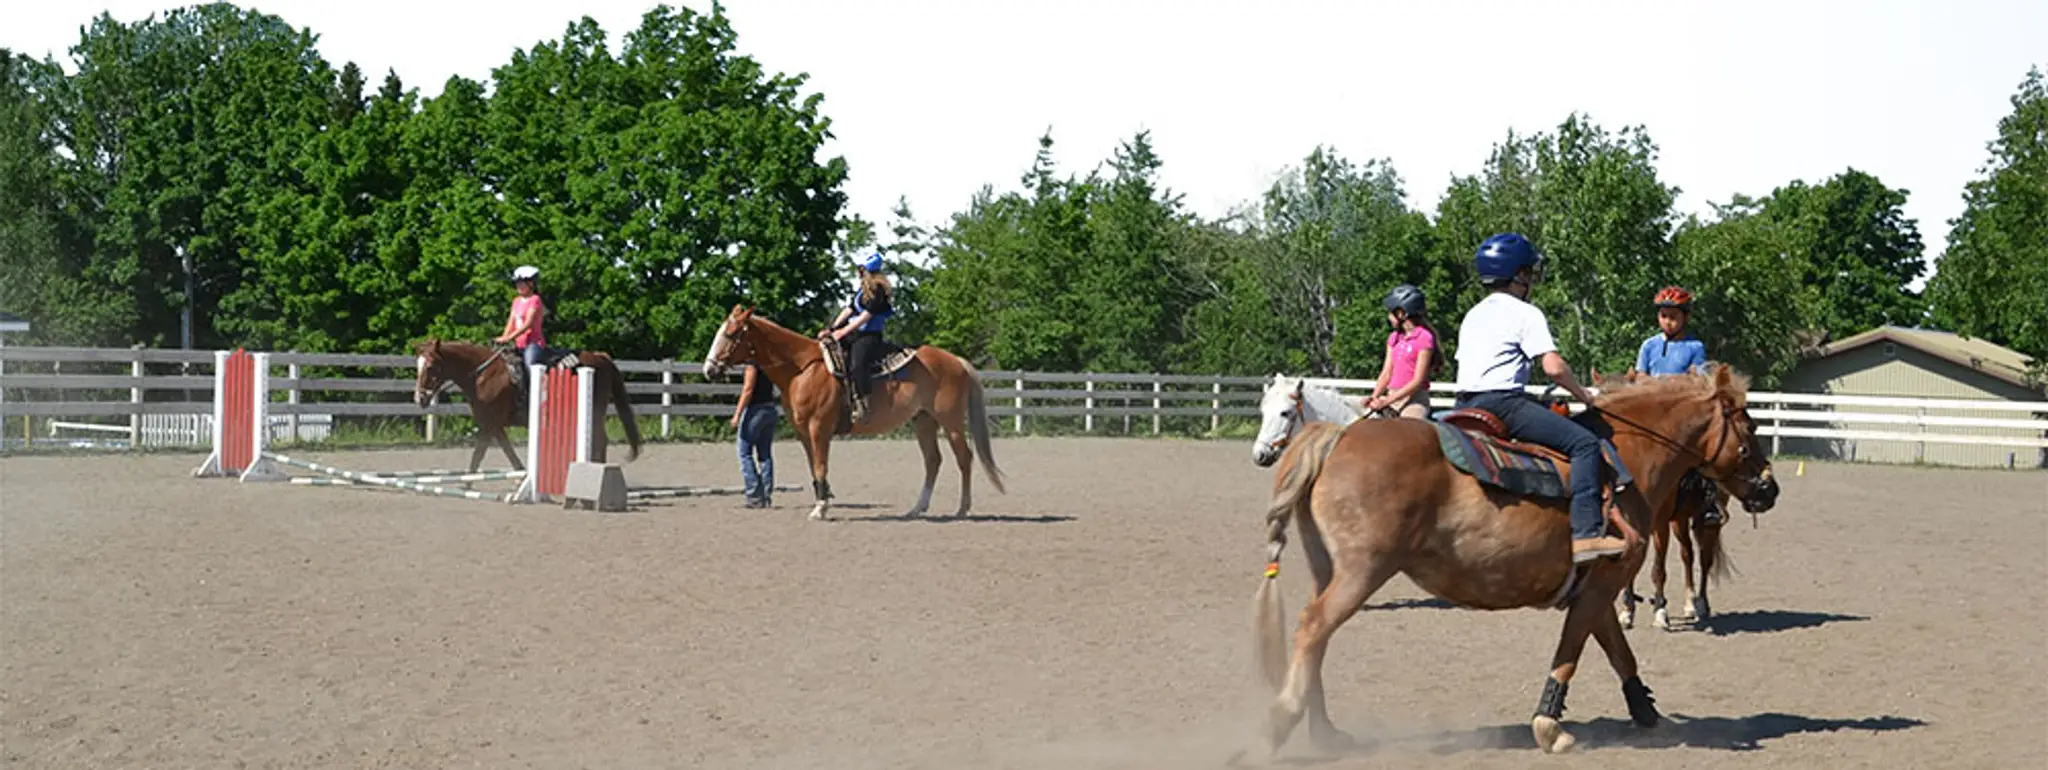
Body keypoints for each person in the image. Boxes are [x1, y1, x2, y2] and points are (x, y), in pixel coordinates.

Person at [1452, 233, 1627, 564]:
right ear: (1518, 274)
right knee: (1585, 444)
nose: (1530, 279)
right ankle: (1586, 534)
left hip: (1464, 405)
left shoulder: (1473, 314)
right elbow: (1554, 367)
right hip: (1503, 404)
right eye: (1528, 272)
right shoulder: (1525, 312)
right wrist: (1584, 395)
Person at [1630, 285, 1722, 526]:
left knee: (1703, 452)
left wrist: (1661, 382)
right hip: (1653, 409)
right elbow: (1640, 377)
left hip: (1681, 411)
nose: (1668, 321)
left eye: (1673, 316)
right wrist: (1672, 381)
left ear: (1685, 317)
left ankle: (1708, 504)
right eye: (1663, 316)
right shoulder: (1648, 345)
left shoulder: (1695, 347)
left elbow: (1696, 378)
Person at [821, 251, 895, 423]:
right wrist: (832, 329)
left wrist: (843, 331)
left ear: (866, 269)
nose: (858, 272)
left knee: (857, 365)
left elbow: (866, 316)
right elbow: (850, 310)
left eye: (860, 269)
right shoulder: (861, 290)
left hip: (869, 335)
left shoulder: (879, 290)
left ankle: (864, 405)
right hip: (855, 332)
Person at [1365, 284, 1438, 420]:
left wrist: (1387, 401)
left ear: (1401, 313)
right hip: (1392, 396)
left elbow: (1417, 381)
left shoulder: (1424, 337)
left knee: (1410, 429)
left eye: (1391, 313)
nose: (1388, 317)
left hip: (1414, 400)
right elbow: (1386, 373)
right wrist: (1374, 397)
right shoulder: (1394, 338)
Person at [731, 362, 779, 508]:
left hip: (755, 410)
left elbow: (748, 389)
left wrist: (737, 415)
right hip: (770, 409)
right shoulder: (769, 364)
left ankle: (754, 494)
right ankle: (766, 494)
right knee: (765, 454)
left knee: (744, 452)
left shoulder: (752, 366)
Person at [494, 265, 546, 368]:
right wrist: (504, 337)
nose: (519, 286)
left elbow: (528, 323)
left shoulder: (535, 299)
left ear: (531, 284)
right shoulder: (516, 301)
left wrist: (509, 337)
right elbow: (511, 321)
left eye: (522, 284)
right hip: (518, 344)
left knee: (529, 365)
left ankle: (536, 384)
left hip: (533, 344)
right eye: (517, 284)